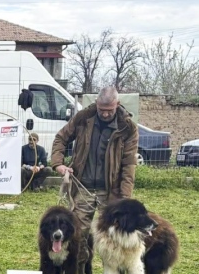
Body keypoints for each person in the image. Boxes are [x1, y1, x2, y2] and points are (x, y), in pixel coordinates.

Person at [51, 86, 138, 245]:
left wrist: (124, 200)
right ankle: (78, 269)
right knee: (76, 236)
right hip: (83, 188)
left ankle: (112, 270)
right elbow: (60, 139)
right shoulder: (83, 118)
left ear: (117, 104)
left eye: (109, 110)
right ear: (96, 103)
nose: (105, 114)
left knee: (112, 239)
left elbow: (129, 165)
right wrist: (58, 164)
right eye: (101, 109)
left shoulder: (127, 128)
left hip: (111, 191)